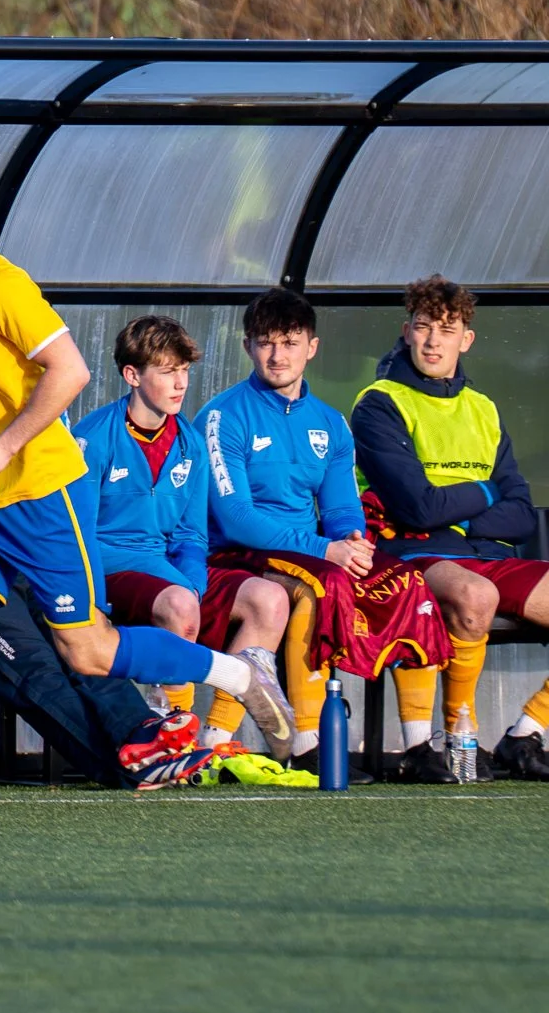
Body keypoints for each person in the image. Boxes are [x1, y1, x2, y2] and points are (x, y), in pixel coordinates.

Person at [0, 147, 293, 826]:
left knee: (87, 649)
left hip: (39, 489)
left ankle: (239, 676)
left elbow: (66, 371)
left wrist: (5, 445)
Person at [0, 383, 222, 789]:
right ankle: (127, 769)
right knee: (39, 670)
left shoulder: (39, 396)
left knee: (86, 651)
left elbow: (62, 493)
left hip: (31, 562)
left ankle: (148, 740)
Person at [197, 288, 449, 780]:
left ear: (312, 347)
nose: (278, 355)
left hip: (310, 550)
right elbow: (235, 519)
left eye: (290, 342)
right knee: (322, 587)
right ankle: (307, 745)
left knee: (409, 585)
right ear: (248, 346)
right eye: (266, 343)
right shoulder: (223, 415)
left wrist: (351, 541)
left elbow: (339, 507)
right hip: (237, 555)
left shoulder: (331, 423)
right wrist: (326, 549)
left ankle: (419, 746)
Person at [352, 274, 549, 780]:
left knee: (483, 583)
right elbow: (416, 508)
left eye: (447, 328)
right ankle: (462, 739)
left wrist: (456, 510)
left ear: (467, 338)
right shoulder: (379, 402)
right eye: (424, 327)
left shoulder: (483, 409)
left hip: (480, 549)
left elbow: (522, 511)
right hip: (407, 551)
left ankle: (526, 732)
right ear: (407, 331)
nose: (434, 340)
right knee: (476, 594)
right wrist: (484, 493)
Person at [72, 316, 290, 750]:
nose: (180, 383)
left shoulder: (190, 443)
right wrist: (93, 601)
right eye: (167, 371)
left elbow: (191, 536)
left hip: (169, 573)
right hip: (110, 569)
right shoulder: (92, 438)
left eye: (185, 370)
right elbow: (76, 536)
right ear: (132, 375)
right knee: (179, 607)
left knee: (270, 599)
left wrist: (192, 581)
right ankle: (173, 740)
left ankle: (214, 742)